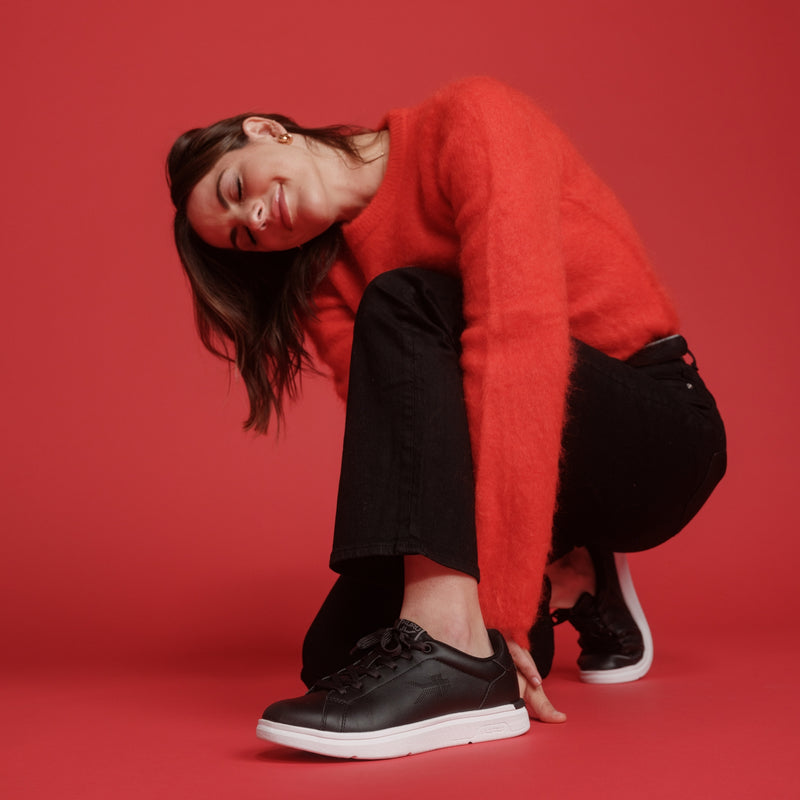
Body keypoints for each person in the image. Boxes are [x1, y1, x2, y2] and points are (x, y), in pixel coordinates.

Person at [166, 76, 726, 759]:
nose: (254, 221)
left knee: (405, 299)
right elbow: (408, 433)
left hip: (655, 433)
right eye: (241, 239)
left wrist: (509, 605)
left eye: (235, 190)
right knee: (335, 657)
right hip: (517, 454)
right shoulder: (323, 277)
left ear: (265, 129)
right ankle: (562, 574)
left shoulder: (469, 122)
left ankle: (479, 627)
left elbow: (520, 341)